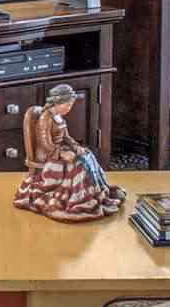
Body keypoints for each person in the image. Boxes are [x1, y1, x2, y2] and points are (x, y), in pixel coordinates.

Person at [13, 84, 126, 221]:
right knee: (78, 164)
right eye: (67, 105)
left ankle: (97, 193)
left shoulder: (59, 117)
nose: (69, 109)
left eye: (70, 105)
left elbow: (66, 137)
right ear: (58, 102)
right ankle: (78, 198)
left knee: (87, 155)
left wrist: (76, 146)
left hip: (60, 148)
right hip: (48, 154)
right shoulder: (45, 118)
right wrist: (61, 154)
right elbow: (45, 144)